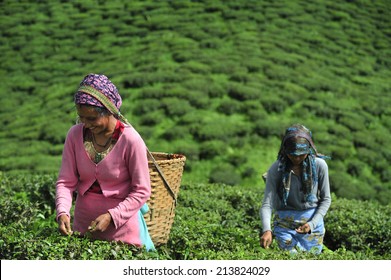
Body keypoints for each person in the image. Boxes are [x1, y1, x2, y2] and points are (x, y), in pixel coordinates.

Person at [55, 73, 155, 251]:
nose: (85, 124)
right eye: (81, 118)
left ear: (109, 111)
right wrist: (62, 211)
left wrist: (112, 216)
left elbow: (141, 190)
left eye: (92, 118)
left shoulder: (131, 140)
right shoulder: (74, 135)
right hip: (83, 229)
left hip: (123, 233)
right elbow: (66, 181)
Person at [259, 124, 331, 253]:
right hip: (284, 225)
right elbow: (267, 204)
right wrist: (267, 230)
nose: (297, 158)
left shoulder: (320, 166)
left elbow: (326, 199)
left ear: (309, 149)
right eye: (292, 155)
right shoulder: (276, 169)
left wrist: (312, 224)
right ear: (285, 151)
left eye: (301, 154)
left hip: (312, 224)